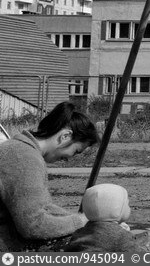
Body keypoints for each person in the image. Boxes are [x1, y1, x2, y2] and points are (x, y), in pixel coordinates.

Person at [0, 102, 100, 251]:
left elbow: (43, 207)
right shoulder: (24, 158)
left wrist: (83, 220)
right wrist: (79, 222)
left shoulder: (19, 149)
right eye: (76, 151)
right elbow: (33, 225)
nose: (70, 158)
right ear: (65, 136)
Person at [64, 184, 142, 252]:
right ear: (117, 209)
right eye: (127, 204)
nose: (129, 208)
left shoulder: (79, 233)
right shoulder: (121, 236)